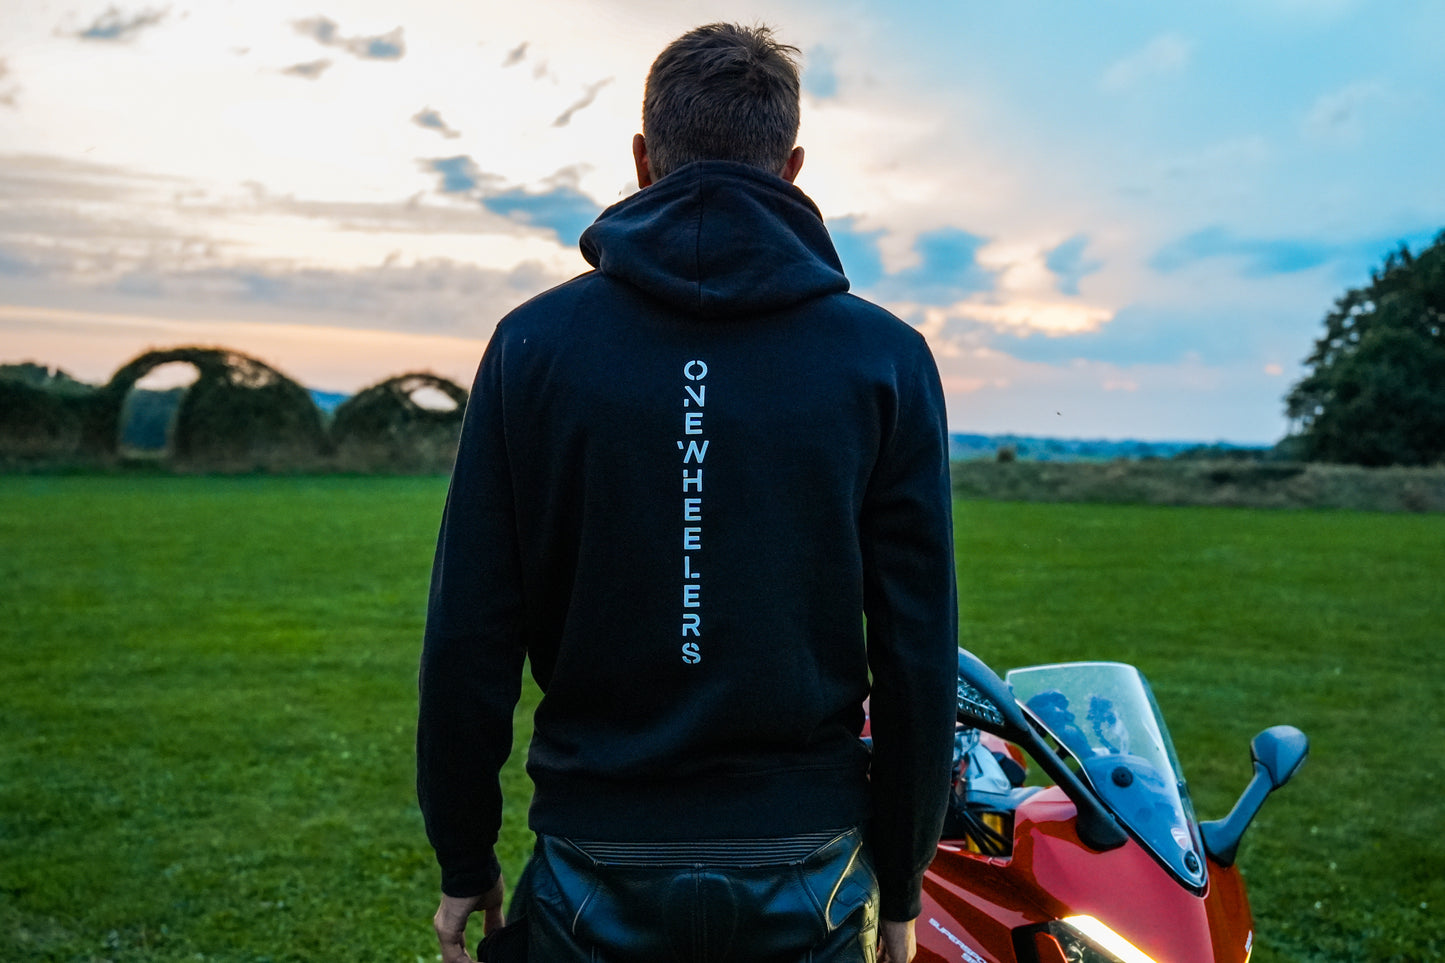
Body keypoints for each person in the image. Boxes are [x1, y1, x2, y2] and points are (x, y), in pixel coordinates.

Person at [417, 22, 958, 963]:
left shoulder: (531, 346)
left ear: (640, 160)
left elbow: (470, 630)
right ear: (792, 167)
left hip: (594, 860)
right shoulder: (884, 359)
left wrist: (464, 854)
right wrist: (904, 874)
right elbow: (916, 646)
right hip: (805, 867)